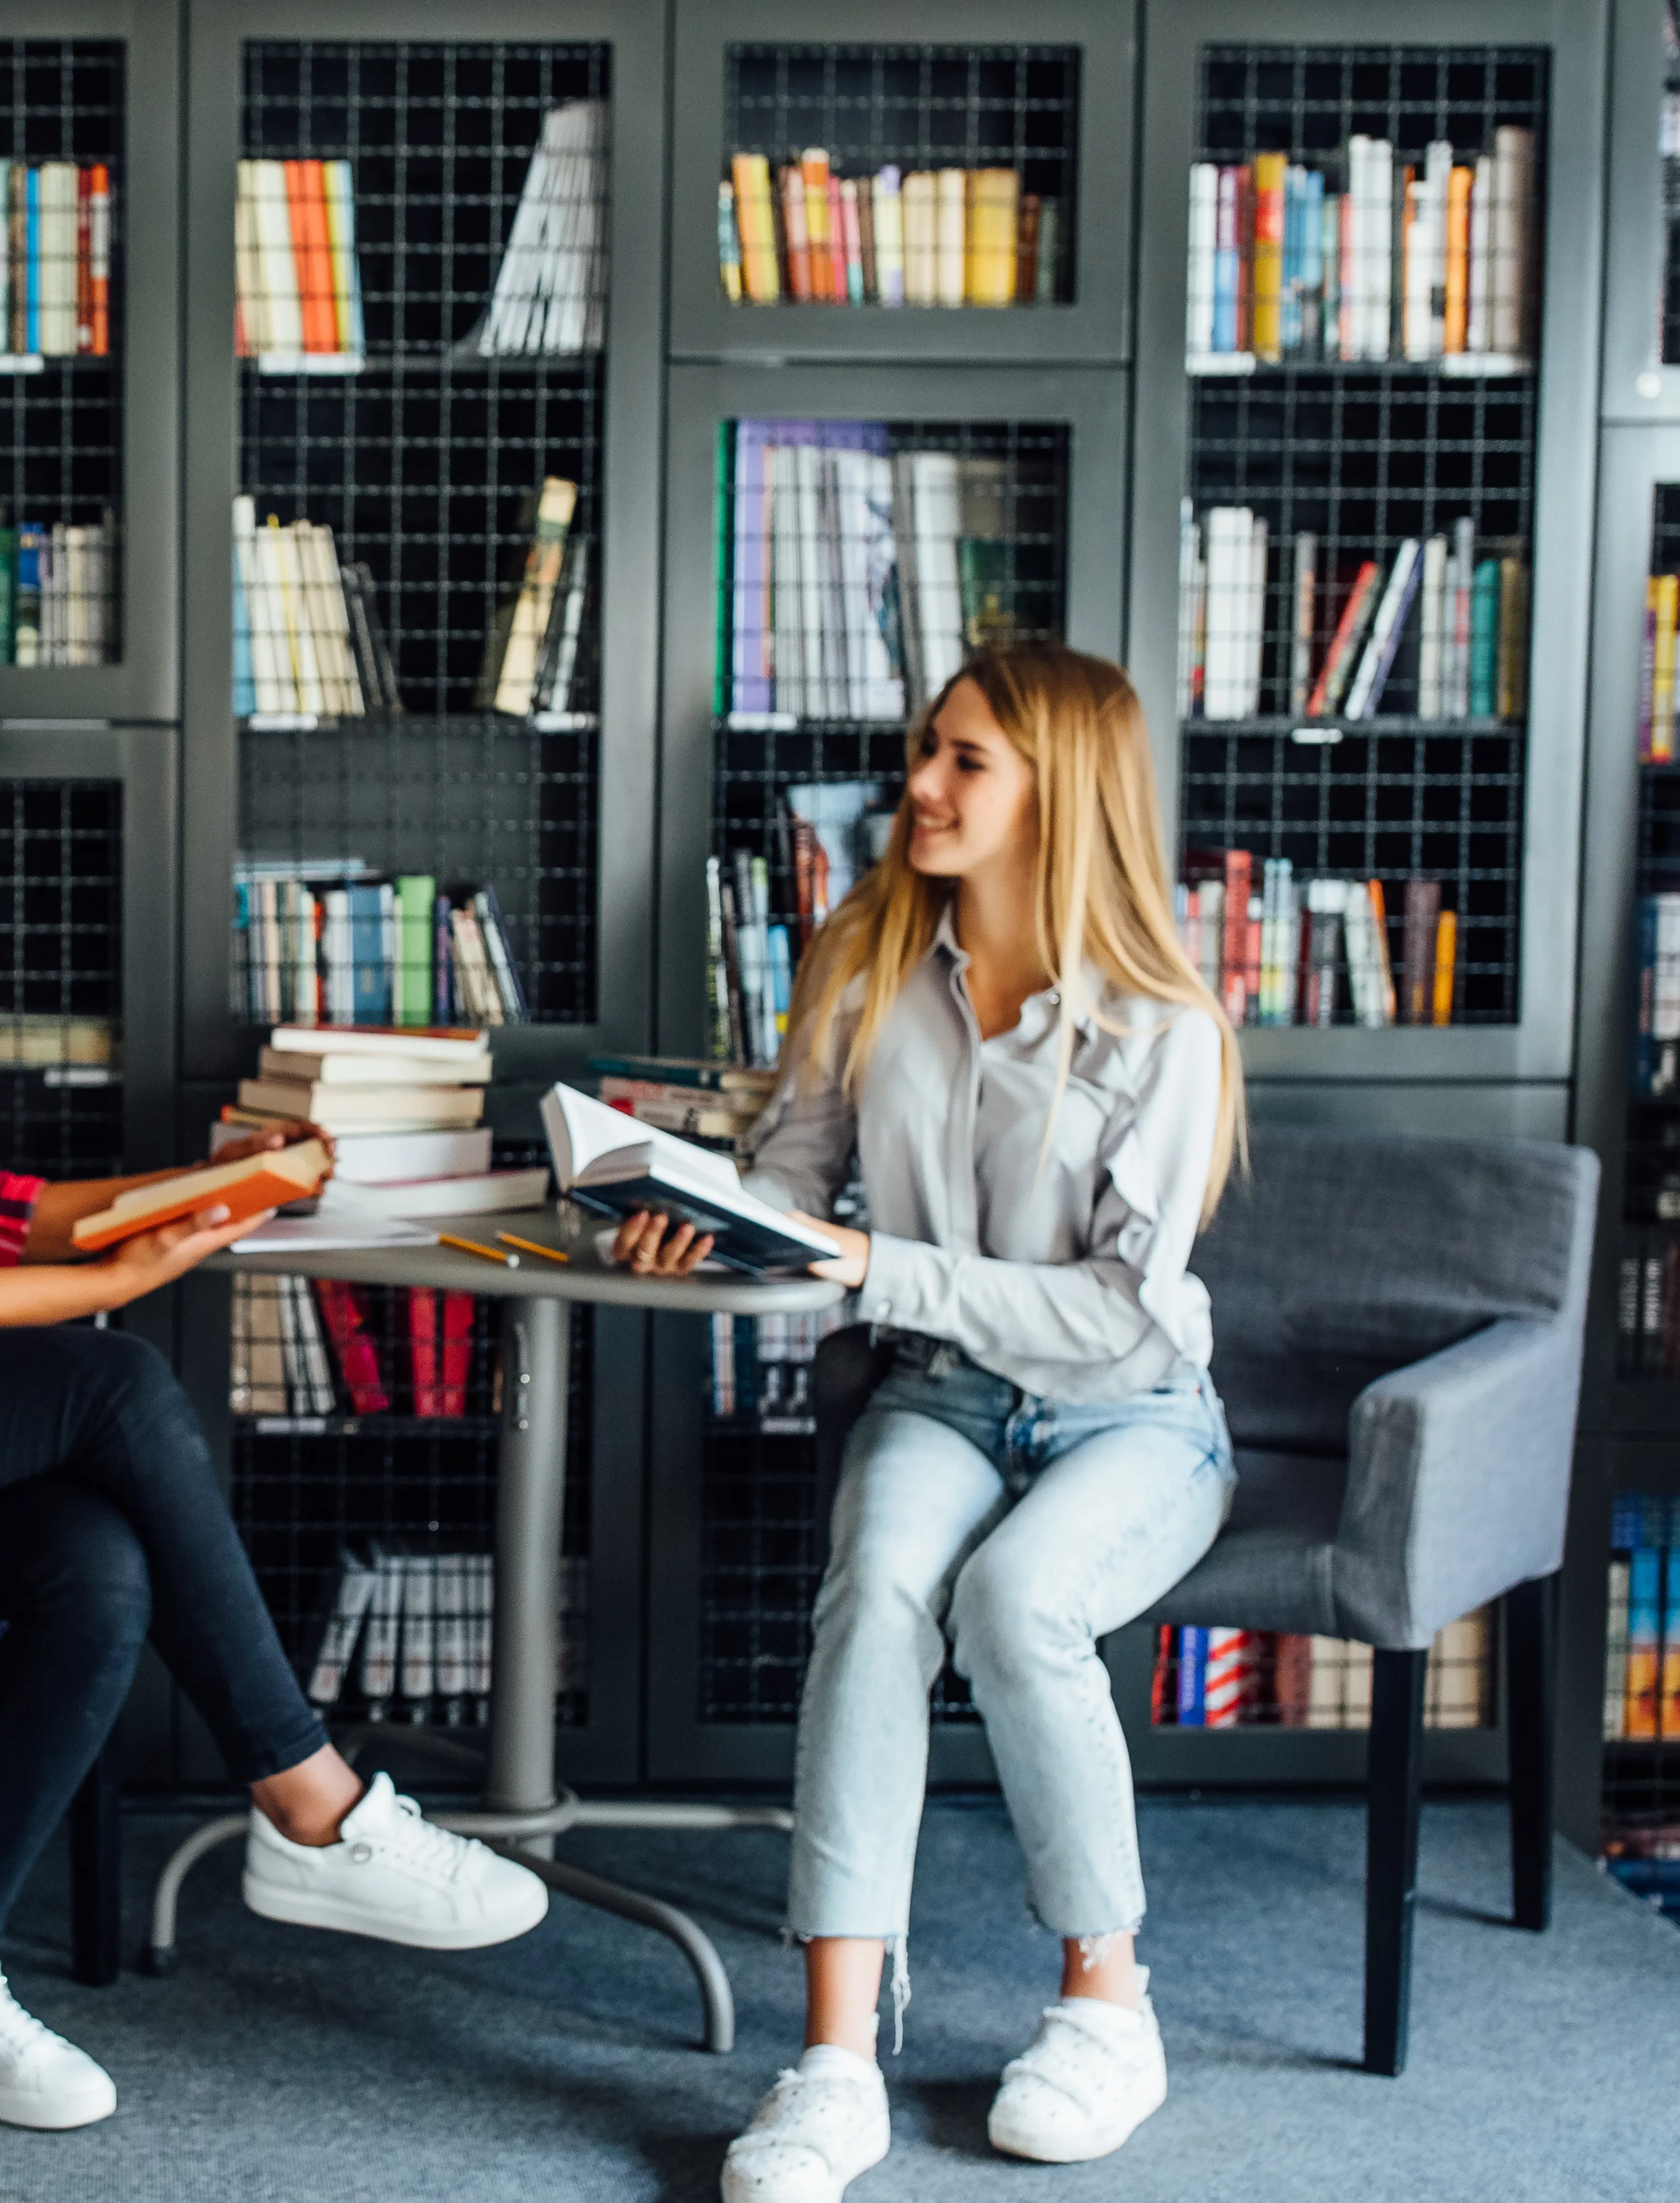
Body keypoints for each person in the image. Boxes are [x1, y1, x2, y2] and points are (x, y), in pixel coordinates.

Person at [0, 621, 551, 2133]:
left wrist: (191, 1198)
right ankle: (309, 1803)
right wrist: (108, 1288)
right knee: (107, 1382)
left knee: (96, 1569)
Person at [611, 643, 1244, 2203]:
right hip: (941, 1393)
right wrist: (710, 1217)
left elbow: (1118, 1311)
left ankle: (1108, 2010)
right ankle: (832, 2067)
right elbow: (796, 1176)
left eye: (967, 760)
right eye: (927, 748)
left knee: (1016, 1600)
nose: (920, 784)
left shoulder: (1165, 1028)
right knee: (877, 1589)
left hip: (1133, 1417)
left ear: (1059, 792)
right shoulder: (867, 954)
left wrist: (870, 1265)